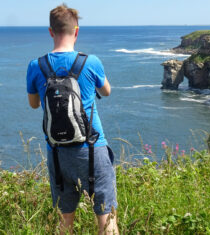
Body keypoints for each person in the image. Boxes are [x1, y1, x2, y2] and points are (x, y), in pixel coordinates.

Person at [26, 4, 119, 235]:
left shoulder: (36, 66)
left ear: (50, 31)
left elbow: (34, 104)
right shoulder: (91, 62)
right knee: (107, 220)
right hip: (92, 149)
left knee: (64, 221)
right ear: (76, 31)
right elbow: (107, 91)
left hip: (57, 154)